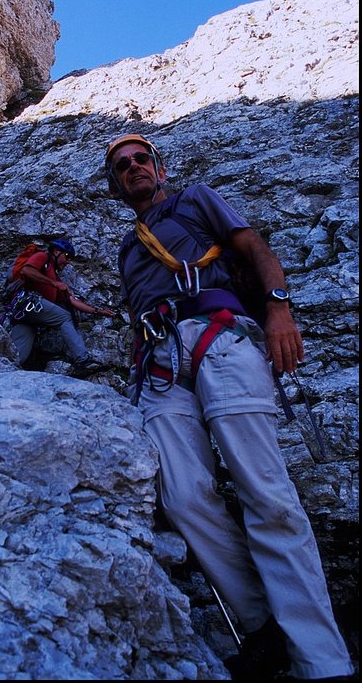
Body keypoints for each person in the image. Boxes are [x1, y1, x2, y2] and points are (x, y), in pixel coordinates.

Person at [104, 133, 354, 682]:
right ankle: (261, 624)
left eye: (141, 158)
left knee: (266, 493)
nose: (133, 168)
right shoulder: (128, 248)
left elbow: (253, 248)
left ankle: (324, 662)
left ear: (158, 167)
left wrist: (278, 311)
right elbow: (136, 315)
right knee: (184, 496)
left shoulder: (195, 199)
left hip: (219, 337)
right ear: (116, 183)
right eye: (121, 166)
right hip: (157, 361)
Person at [10, 238, 115, 377]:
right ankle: (83, 361)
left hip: (25, 315)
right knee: (64, 316)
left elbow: (71, 300)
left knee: (19, 356)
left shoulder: (55, 277)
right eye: (66, 256)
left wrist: (97, 311)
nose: (67, 261)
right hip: (29, 303)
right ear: (56, 251)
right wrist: (53, 283)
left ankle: (6, 372)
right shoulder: (43, 257)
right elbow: (27, 270)